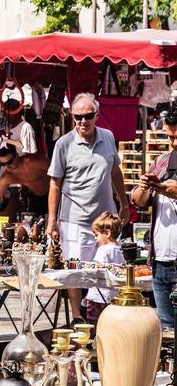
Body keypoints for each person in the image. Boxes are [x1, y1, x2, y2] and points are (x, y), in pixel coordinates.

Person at [48, 93, 127, 322]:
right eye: (78, 117)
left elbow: (114, 171)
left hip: (105, 221)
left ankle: (105, 313)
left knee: (107, 269)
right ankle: (76, 317)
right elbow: (55, 182)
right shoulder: (64, 144)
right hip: (75, 220)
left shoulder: (108, 137)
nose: (83, 121)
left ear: (97, 115)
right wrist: (52, 220)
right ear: (72, 116)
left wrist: (123, 203)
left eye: (88, 116)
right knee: (75, 271)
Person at [132, 111, 177, 328]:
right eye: (170, 136)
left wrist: (165, 188)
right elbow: (139, 201)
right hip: (162, 261)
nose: (173, 142)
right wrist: (144, 187)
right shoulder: (161, 161)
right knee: (166, 330)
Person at [0, 144, 52, 220]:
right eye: (3, 164)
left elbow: (56, 169)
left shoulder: (32, 161)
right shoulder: (8, 176)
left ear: (17, 155)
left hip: (53, 193)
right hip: (35, 198)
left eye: (10, 161)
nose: (8, 166)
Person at [85, 212, 124, 324]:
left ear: (107, 233)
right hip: (114, 295)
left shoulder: (103, 249)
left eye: (96, 234)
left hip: (98, 295)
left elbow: (98, 267)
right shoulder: (120, 249)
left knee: (95, 323)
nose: (95, 238)